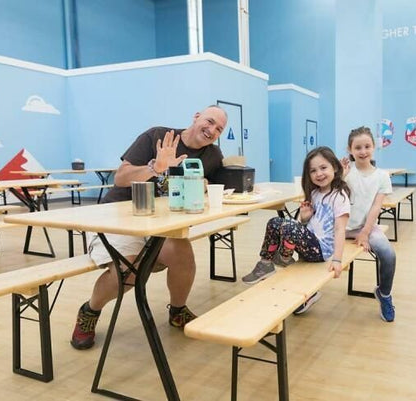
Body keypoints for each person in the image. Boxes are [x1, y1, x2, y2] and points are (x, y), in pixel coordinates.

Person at [71, 105, 228, 350]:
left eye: (219, 128)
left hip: (159, 222)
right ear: (196, 116)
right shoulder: (156, 136)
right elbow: (121, 178)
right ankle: (90, 311)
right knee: (130, 272)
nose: (212, 130)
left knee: (182, 253)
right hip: (117, 217)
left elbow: (216, 188)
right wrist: (156, 168)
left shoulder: (212, 156)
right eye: (209, 121)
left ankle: (177, 311)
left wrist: (206, 185)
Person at [241, 146, 350, 315]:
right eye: (313, 171)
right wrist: (305, 218)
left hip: (322, 251)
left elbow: (340, 229)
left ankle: (284, 258)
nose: (319, 174)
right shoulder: (314, 194)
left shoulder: (340, 196)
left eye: (323, 168)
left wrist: (337, 260)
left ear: (334, 168)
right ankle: (265, 264)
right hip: (309, 244)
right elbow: (304, 228)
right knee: (275, 222)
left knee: (289, 226)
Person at [341, 126, 396, 322]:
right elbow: (332, 197)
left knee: (388, 254)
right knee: (314, 249)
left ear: (374, 147)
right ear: (350, 149)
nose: (363, 151)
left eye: (367, 146)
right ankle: (308, 293)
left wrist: (364, 233)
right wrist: (340, 175)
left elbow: (375, 207)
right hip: (341, 227)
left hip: (366, 227)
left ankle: (384, 294)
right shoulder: (346, 172)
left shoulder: (382, 176)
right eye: (358, 147)